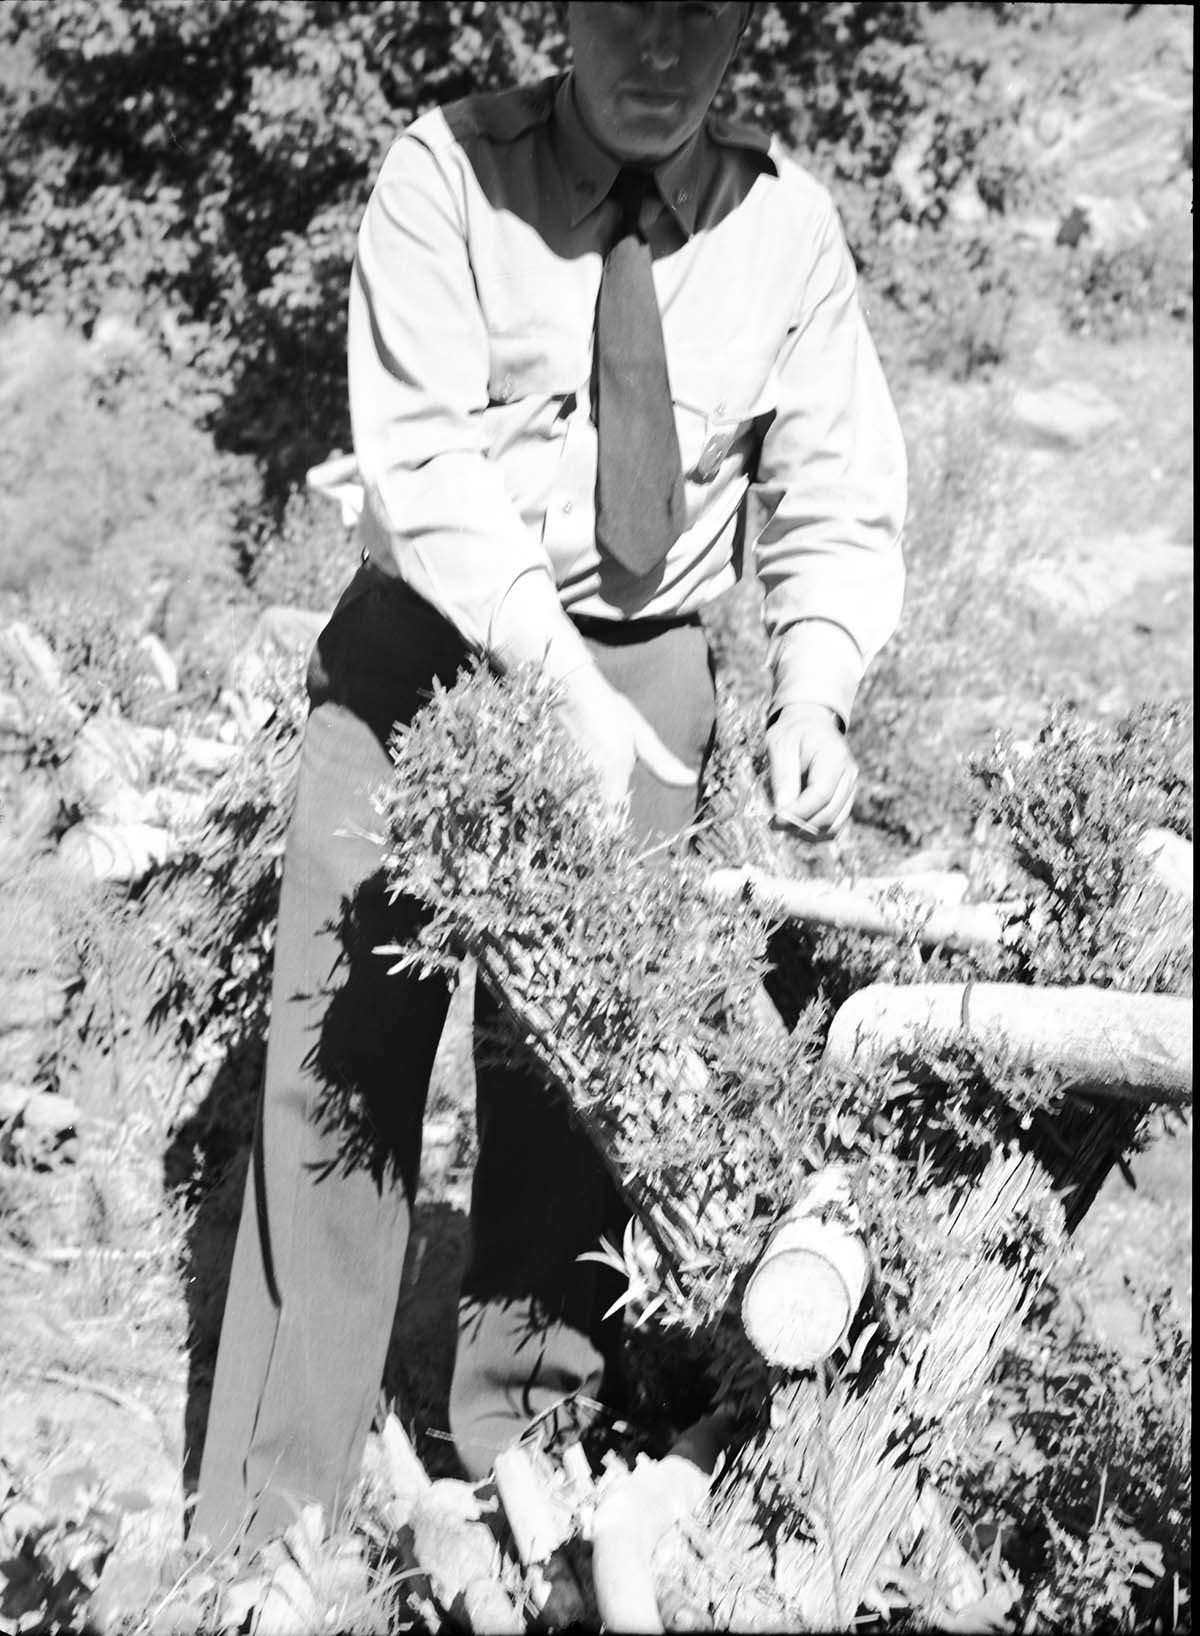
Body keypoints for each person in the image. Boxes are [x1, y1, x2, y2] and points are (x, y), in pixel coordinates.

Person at [193, 0, 906, 1556]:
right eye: (624, 10)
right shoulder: (444, 176)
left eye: (700, 17)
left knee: (577, 1106)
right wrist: (555, 685)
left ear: (747, 33)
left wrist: (817, 687)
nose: (660, 52)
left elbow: (836, 485)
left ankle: (529, 1470)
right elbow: (427, 470)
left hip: (650, 667)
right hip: (425, 655)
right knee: (337, 1072)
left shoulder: (787, 228)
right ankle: (263, 1525)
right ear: (560, 15)